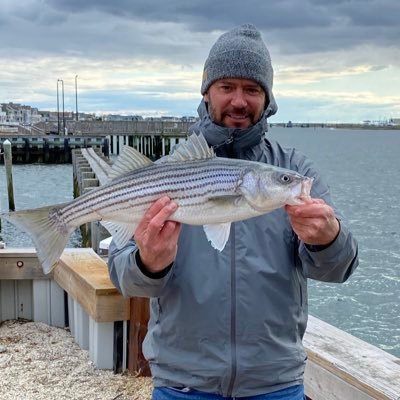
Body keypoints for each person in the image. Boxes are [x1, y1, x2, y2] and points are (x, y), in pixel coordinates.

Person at [107, 24, 359, 399]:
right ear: (207, 93)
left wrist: (329, 239)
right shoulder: (168, 170)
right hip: (182, 383)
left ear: (267, 99)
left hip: (276, 384)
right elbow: (125, 279)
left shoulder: (292, 171)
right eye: (227, 87)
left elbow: (340, 269)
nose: (239, 101)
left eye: (252, 89)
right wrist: (149, 263)